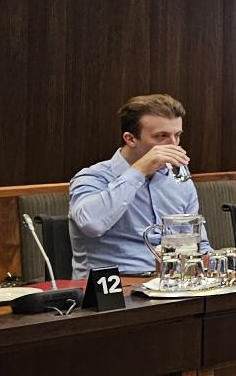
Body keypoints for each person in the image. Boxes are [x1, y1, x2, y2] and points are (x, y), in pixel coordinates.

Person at [68, 93, 207, 280]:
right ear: (130, 139)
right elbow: (92, 224)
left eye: (177, 136)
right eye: (161, 136)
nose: (174, 145)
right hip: (116, 287)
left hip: (171, 284)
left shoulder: (179, 180)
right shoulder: (92, 177)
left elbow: (199, 243)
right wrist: (139, 170)